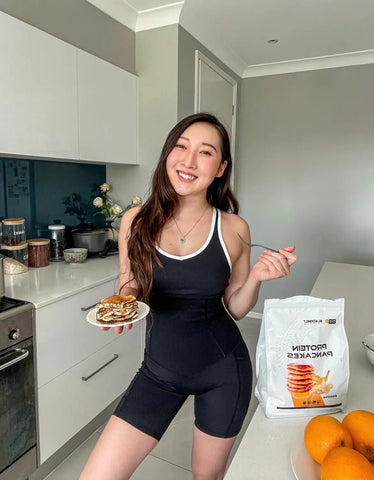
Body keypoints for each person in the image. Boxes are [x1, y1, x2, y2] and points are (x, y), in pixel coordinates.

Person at [80, 112, 297, 480]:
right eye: (181, 147)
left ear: (220, 168)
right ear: (168, 154)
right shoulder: (135, 221)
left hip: (223, 371)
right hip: (158, 372)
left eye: (205, 152)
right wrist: (120, 307)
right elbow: (128, 282)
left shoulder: (232, 227)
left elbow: (236, 308)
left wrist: (258, 277)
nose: (189, 160)